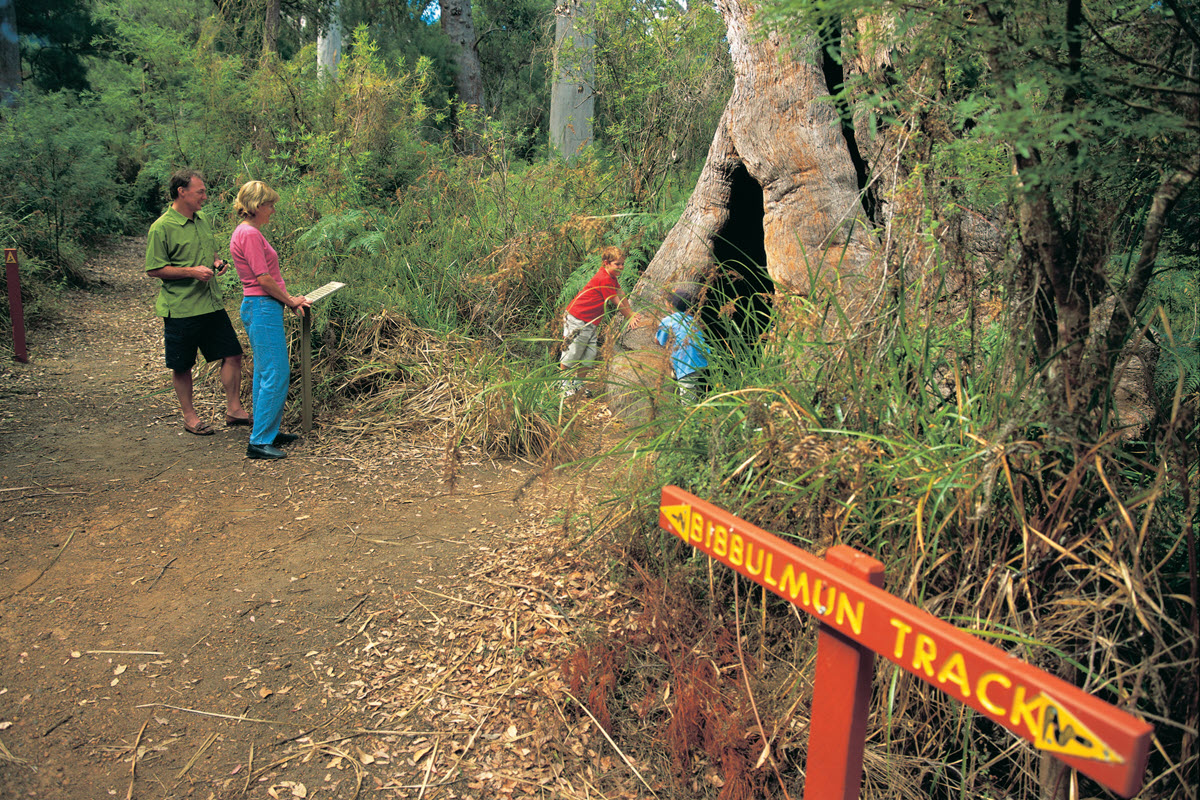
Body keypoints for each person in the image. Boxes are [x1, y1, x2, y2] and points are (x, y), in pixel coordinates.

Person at [145, 169, 251, 436]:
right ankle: (190, 416)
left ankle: (234, 409)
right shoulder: (161, 228)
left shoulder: (201, 219)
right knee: (182, 364)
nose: (205, 196)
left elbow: (209, 250)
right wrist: (191, 272)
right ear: (182, 192)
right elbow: (154, 269)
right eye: (200, 191)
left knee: (233, 354)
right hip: (181, 308)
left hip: (211, 303)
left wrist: (217, 262)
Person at [229, 180, 311, 460]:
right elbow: (263, 278)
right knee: (276, 373)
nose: (272, 210)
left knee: (267, 373)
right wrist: (290, 301)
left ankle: (267, 431)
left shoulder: (247, 232)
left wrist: (287, 299)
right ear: (256, 206)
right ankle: (259, 440)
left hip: (262, 306)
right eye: (269, 205)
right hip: (262, 306)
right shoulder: (249, 234)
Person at [559, 246, 642, 397]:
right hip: (577, 318)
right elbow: (615, 301)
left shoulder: (611, 277)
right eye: (617, 264)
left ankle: (578, 385)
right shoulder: (603, 278)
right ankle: (564, 385)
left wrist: (631, 312)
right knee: (572, 352)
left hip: (591, 322)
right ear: (606, 263)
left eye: (623, 263)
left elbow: (620, 292)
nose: (621, 267)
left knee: (589, 355)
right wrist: (629, 316)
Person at [655, 290, 710, 403]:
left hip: (687, 364)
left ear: (670, 305)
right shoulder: (692, 319)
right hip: (703, 359)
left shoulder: (668, 320)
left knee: (687, 398)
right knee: (695, 382)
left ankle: (691, 419)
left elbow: (658, 341)